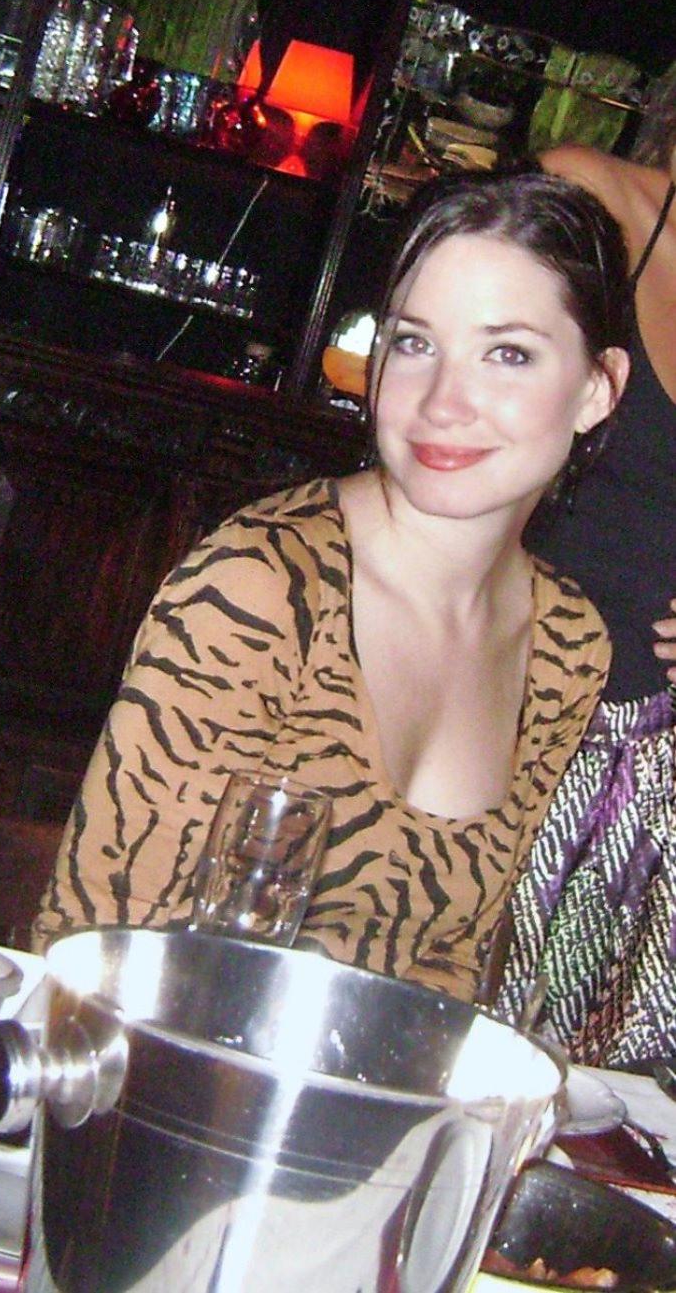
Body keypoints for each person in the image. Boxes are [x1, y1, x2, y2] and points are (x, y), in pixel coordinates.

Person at [32, 171, 630, 1007]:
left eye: (506, 353)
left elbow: (451, 967)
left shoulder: (566, 642)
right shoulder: (261, 589)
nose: (442, 401)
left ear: (597, 389)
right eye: (413, 343)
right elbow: (95, 948)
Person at [493, 68, 676, 1064]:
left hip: (657, 768)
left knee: (592, 1086)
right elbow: (456, 403)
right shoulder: (589, 195)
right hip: (519, 701)